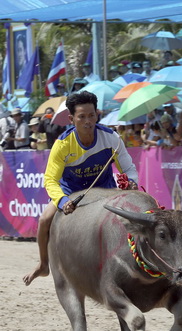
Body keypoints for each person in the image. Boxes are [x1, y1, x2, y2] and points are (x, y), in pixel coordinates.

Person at [23, 91, 138, 286]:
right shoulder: (62, 145)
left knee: (139, 215)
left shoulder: (111, 138)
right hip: (71, 194)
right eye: (82, 116)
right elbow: (51, 180)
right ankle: (43, 265)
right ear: (71, 118)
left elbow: (128, 168)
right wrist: (63, 201)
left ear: (97, 114)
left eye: (91, 115)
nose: (88, 121)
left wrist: (131, 182)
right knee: (44, 220)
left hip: (106, 192)